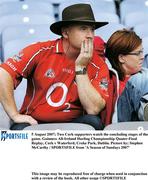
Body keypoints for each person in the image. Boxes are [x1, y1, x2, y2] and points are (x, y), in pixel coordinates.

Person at [0, 4, 110, 130]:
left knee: (94, 122)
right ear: (65, 32)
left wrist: (81, 68)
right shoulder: (41, 51)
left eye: (92, 29)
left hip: (74, 123)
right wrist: (14, 114)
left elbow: (93, 109)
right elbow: (3, 73)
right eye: (83, 29)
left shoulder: (99, 64)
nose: (90, 35)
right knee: (19, 130)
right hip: (35, 121)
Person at [101, 29, 145, 125]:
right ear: (121, 58)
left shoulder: (144, 76)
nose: (142, 57)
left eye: (142, 52)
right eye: (138, 53)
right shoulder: (106, 79)